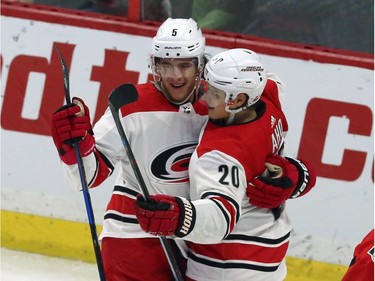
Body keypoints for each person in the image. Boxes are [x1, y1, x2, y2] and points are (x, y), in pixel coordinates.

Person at [51, 18, 315, 280]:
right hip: (136, 233)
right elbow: (86, 177)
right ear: (154, 65)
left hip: (192, 239)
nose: (175, 76)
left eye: (185, 65)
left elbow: (257, 145)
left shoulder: (222, 97)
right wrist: (74, 146)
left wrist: (295, 175)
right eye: (166, 65)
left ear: (200, 64)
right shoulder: (131, 105)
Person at [134, 48, 316, 280]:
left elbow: (221, 218)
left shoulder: (219, 153)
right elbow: (266, 77)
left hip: (227, 268)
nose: (204, 98)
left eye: (215, 94)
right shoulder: (269, 96)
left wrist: (178, 216)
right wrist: (298, 174)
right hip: (271, 260)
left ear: (238, 99)